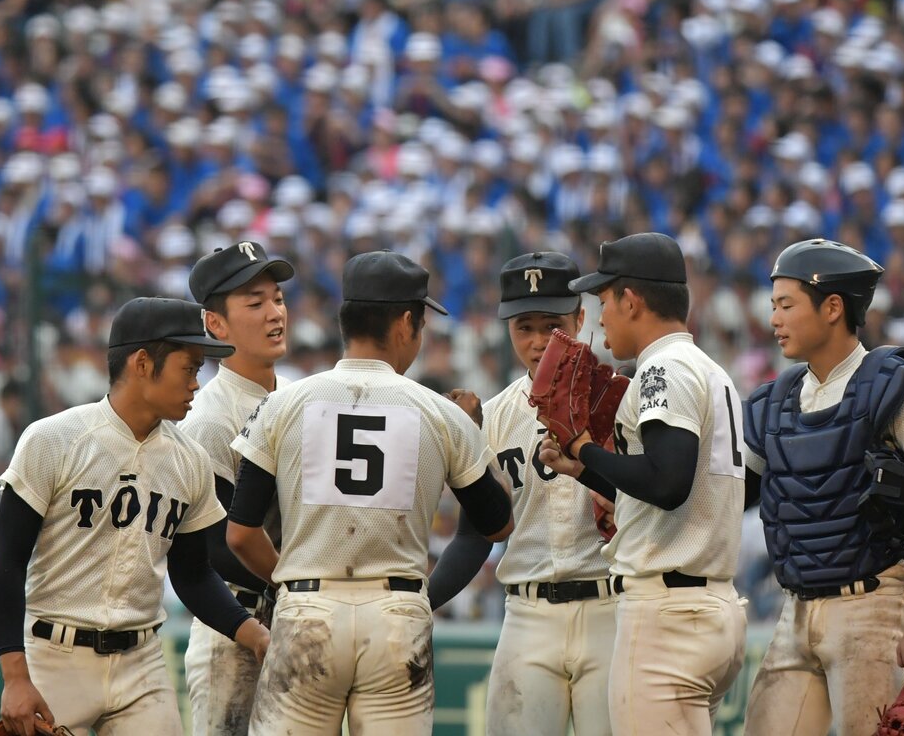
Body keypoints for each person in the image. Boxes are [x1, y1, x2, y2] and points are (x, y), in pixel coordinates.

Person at [225, 250, 515, 736]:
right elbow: (498, 523)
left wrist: (290, 579)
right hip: (395, 614)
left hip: (307, 609)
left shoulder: (282, 403)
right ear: (405, 323)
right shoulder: (439, 412)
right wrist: (472, 436)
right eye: (420, 324)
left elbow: (239, 534)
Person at [0, 297, 271, 736]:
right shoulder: (53, 439)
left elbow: (193, 575)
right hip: (56, 655)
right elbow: (7, 563)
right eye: (189, 367)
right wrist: (15, 677)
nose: (197, 383)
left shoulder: (189, 459)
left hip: (142, 664)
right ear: (142, 363)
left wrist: (254, 636)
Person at [741, 239, 904, 736]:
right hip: (794, 611)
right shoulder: (774, 401)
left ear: (833, 307)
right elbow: (734, 495)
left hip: (872, 608)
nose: (774, 318)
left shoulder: (893, 382)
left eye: (786, 305)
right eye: (773, 305)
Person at [539, 233, 748, 736]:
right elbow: (674, 493)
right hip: (712, 607)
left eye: (604, 299)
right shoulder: (710, 370)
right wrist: (585, 470)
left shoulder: (663, 367)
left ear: (630, 300)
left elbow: (668, 483)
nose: (602, 315)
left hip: (668, 618)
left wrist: (584, 446)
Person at [428, 251, 615, 736]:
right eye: (523, 327)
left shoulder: (622, 400)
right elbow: (476, 536)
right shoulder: (493, 417)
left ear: (579, 317)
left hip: (611, 608)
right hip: (528, 613)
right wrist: (420, 602)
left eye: (552, 324)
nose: (538, 342)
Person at [182, 241, 296, 736]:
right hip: (234, 626)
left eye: (278, 299)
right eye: (256, 303)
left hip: (297, 614)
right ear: (216, 324)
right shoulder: (208, 417)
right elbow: (212, 548)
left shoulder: (297, 394)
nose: (275, 313)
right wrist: (297, 583)